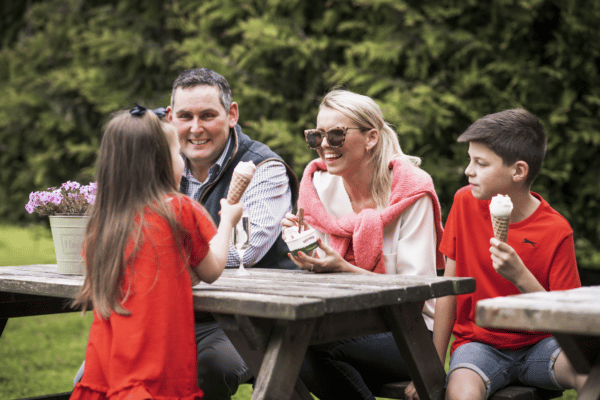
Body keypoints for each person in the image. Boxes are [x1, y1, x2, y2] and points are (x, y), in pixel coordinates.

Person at [69, 106, 242, 399]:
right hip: (157, 366)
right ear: (159, 162)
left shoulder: (102, 223)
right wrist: (227, 220)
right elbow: (211, 271)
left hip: (108, 363)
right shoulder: (179, 210)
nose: (183, 164)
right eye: (178, 155)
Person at [282, 89, 445, 400]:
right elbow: (326, 270)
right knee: (288, 344)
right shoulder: (320, 187)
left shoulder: (411, 193)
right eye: (317, 136)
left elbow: (417, 291)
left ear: (371, 138)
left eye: (336, 135)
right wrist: (306, 253)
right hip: (344, 324)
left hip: (409, 331)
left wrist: (344, 270)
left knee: (306, 347)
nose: (324, 146)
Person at [424, 108, 587, 400]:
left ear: (518, 171)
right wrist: (432, 365)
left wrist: (520, 276)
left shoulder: (556, 230)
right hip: (478, 346)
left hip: (542, 346)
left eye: (480, 163)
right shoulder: (464, 202)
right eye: (469, 160)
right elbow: (448, 290)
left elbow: (569, 321)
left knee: (590, 373)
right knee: (461, 394)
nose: (468, 171)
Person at [166, 68, 299, 399]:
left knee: (210, 368)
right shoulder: (164, 165)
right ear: (170, 118)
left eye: (208, 115)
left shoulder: (263, 168)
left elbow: (247, 252)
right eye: (185, 116)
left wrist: (168, 263)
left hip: (250, 319)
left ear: (231, 115)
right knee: (98, 369)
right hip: (177, 313)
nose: (196, 128)